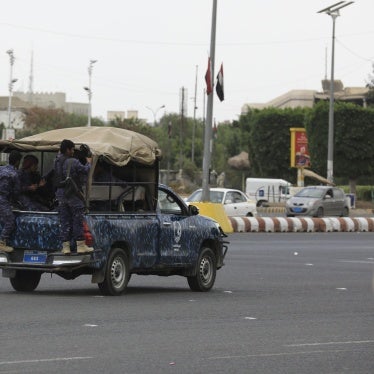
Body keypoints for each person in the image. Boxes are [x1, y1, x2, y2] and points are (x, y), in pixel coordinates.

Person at [54, 139, 93, 254]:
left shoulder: (56, 161)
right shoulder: (74, 161)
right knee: (77, 220)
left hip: (60, 195)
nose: (73, 152)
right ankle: (80, 246)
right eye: (72, 149)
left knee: (65, 221)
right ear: (68, 150)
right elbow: (85, 170)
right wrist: (89, 162)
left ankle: (65, 247)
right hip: (73, 195)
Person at [0, 150, 22, 252]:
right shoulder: (14, 174)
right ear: (18, 162)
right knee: (10, 221)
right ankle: (2, 243)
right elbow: (16, 192)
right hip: (3, 200)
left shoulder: (1, 169)